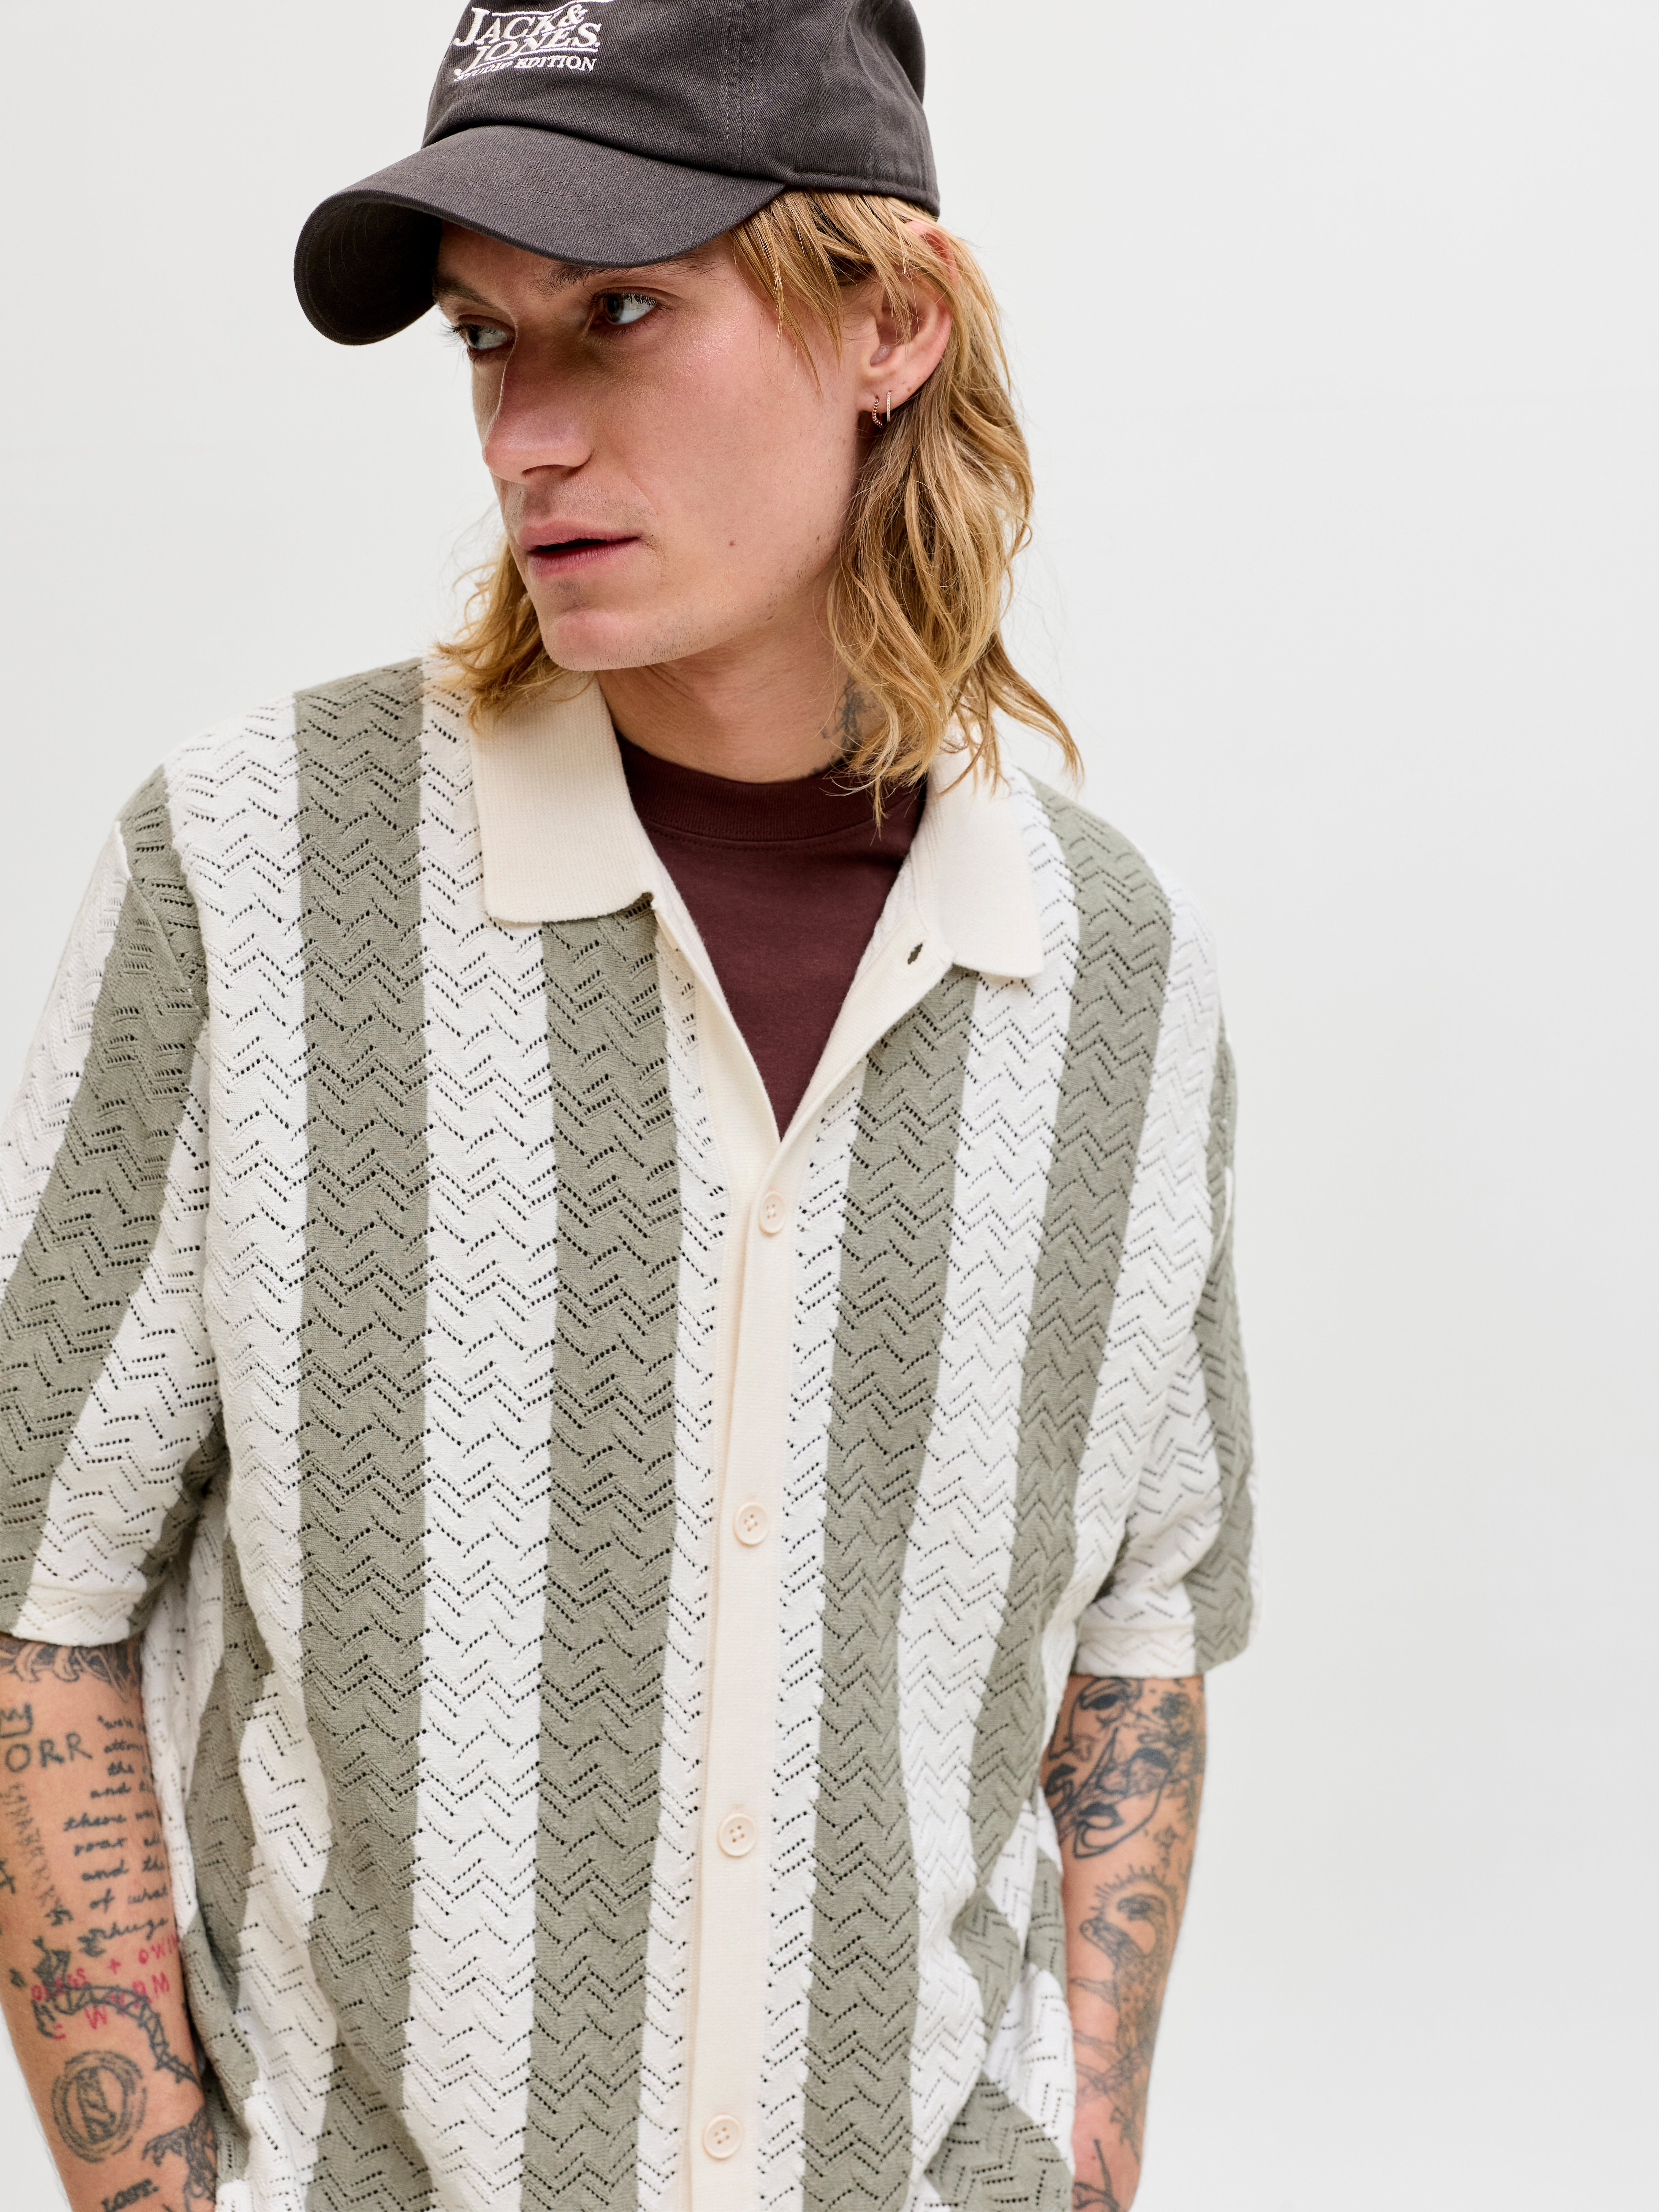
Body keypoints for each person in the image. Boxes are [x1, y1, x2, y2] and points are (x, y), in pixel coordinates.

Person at [0, 5, 1257, 2209]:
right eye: (489, 341)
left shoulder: (1111, 972)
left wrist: (1084, 2166)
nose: (525, 436)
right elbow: (39, 1590)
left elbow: (1139, 1636)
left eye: (622, 315)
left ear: (889, 323)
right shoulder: (254, 872)